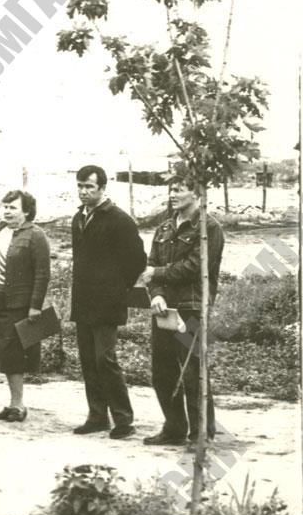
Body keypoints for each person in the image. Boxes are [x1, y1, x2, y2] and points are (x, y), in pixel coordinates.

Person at [141, 171, 224, 447]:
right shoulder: (164, 228)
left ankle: (201, 434)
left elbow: (196, 267)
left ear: (197, 194)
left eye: (179, 189)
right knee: (162, 372)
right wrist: (156, 295)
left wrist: (158, 274)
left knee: (193, 373)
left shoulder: (208, 229)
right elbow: (150, 266)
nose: (172, 194)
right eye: (171, 189)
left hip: (191, 308)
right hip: (164, 309)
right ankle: (174, 428)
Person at [70, 164, 147, 439]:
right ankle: (97, 416)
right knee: (88, 360)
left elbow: (137, 260)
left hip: (108, 302)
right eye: (80, 186)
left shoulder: (119, 220)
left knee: (105, 359)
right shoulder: (78, 218)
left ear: (102, 188)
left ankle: (124, 420)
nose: (83, 191)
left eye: (89, 186)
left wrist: (116, 287)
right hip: (83, 301)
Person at [0, 190, 51, 422]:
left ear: (26, 211)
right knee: (5, 352)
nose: (7, 212)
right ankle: (13, 403)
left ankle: (18, 405)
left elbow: (42, 274)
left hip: (20, 303)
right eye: (5, 207)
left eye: (13, 208)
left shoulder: (35, 235)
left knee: (16, 352)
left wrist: (35, 306)